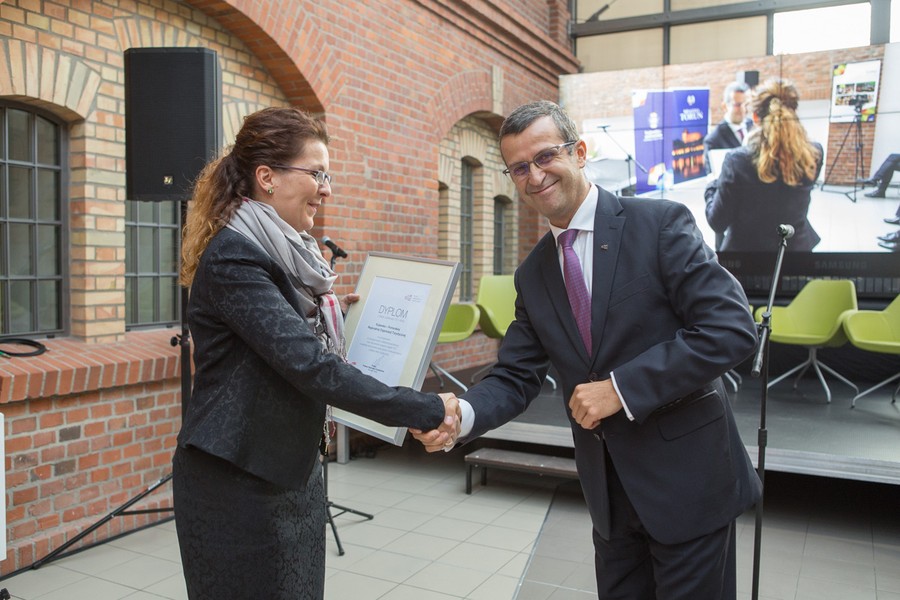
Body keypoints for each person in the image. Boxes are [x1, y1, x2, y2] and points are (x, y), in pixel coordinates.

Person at [413, 101, 761, 599]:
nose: (534, 175)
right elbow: (515, 376)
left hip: (689, 486)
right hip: (610, 500)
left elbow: (730, 328)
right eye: (519, 168)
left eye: (545, 156)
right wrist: (460, 417)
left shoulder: (659, 224)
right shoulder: (534, 273)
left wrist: (620, 389)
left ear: (578, 152)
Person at [173, 106, 458, 600]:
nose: (327, 188)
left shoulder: (284, 252)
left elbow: (284, 343)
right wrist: (427, 408)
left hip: (291, 472)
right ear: (267, 177)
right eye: (317, 173)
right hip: (238, 482)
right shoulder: (234, 256)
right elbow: (307, 364)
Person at [704, 79, 823, 252]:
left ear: (755, 118)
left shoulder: (737, 161)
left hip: (747, 262)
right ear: (794, 111)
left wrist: (713, 183)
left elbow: (717, 222)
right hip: (795, 255)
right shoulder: (814, 153)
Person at [703, 81, 752, 175]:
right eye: (737, 105)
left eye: (746, 105)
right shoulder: (713, 140)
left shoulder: (755, 127)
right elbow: (714, 179)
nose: (743, 110)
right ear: (725, 106)